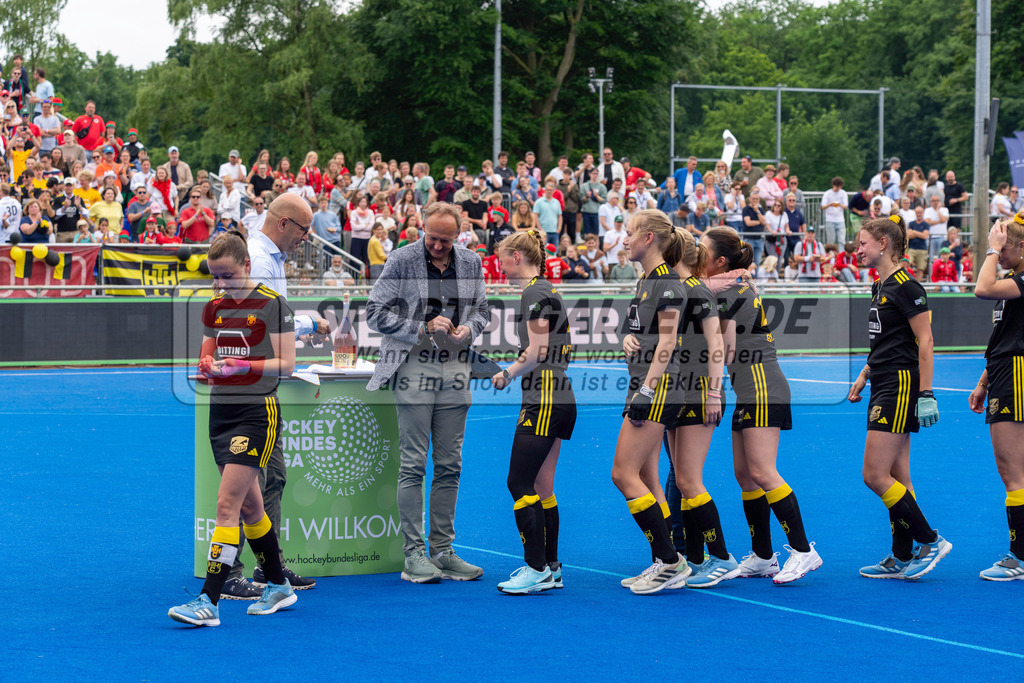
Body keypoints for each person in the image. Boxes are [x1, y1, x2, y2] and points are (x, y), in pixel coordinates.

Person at [168, 230, 298, 627]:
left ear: (246, 266)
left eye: (227, 275)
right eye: (215, 277)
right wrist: (207, 369)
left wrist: (247, 366)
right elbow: (207, 362)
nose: (221, 284)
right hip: (221, 411)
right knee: (249, 507)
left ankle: (209, 600)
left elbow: (288, 365)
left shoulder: (274, 305)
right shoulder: (214, 307)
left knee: (226, 506)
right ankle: (279, 586)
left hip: (257, 412)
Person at [365, 201, 490, 583]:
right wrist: (421, 326)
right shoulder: (401, 259)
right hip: (413, 362)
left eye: (446, 240)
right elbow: (374, 312)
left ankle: (443, 550)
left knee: (450, 465)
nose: (439, 246)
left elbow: (482, 310)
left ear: (459, 235)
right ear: (422, 228)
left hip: (455, 365)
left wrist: (469, 329)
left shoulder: (470, 262)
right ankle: (414, 555)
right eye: (433, 238)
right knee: (414, 465)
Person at [702, 227, 820, 584]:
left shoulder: (731, 291)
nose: (695, 256)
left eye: (701, 250)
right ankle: (763, 555)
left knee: (764, 472)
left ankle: (803, 551)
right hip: (749, 387)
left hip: (763, 386)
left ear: (720, 261)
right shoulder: (733, 285)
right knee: (745, 474)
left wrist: (710, 383)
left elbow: (723, 348)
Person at [848, 215, 951, 580]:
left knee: (874, 475)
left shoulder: (907, 286)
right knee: (897, 475)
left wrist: (926, 393)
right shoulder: (880, 286)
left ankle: (930, 540)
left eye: (862, 243)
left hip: (900, 384)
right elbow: (886, 342)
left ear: (883, 244)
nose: (857, 249)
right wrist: (864, 374)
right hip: (883, 380)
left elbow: (925, 340)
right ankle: (903, 554)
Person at [490, 230, 577, 593]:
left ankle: (536, 567)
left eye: (501, 258)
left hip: (544, 395)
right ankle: (550, 568)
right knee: (542, 485)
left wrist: (506, 373)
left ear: (516, 257)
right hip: (556, 394)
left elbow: (537, 351)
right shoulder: (546, 289)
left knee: (518, 482)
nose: (498, 265)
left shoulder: (534, 292)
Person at [611, 210, 688, 594]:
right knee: (645, 478)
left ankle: (670, 561)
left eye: (629, 234)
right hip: (645, 384)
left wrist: (647, 390)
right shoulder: (647, 282)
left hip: (656, 388)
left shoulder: (669, 283)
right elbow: (643, 331)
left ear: (648, 239)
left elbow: (670, 342)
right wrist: (627, 338)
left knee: (623, 474)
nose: (624, 240)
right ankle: (665, 558)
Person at [662, 227, 739, 587]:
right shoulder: (683, 290)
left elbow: (717, 346)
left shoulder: (695, 290)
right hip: (682, 389)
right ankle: (689, 555)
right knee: (682, 477)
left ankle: (721, 557)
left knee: (689, 479)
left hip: (697, 391)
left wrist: (713, 391)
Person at [970, 217, 1024, 580]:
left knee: (1012, 469)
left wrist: (990, 248)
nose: (998, 255)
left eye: (1004, 249)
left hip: (1016, 374)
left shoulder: (1018, 281)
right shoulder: (1012, 283)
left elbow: (981, 288)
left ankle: (1019, 558)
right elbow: (1002, 338)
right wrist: (983, 381)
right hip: (1003, 372)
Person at [580, 167, 606, 241]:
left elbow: (604, 200)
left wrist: (596, 196)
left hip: (597, 212)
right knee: (587, 233)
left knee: (596, 233)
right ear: (589, 174)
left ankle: (597, 250)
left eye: (596, 174)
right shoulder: (584, 186)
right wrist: (587, 196)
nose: (595, 175)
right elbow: (581, 199)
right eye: (593, 173)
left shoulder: (602, 187)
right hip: (586, 211)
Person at [741, 192, 766, 266]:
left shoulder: (760, 209)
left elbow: (764, 222)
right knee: (749, 262)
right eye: (753, 199)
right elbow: (748, 223)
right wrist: (759, 222)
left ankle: (756, 277)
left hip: (759, 239)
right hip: (748, 239)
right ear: (750, 199)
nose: (755, 200)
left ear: (759, 200)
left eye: (757, 199)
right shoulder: (746, 209)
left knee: (757, 262)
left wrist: (758, 211)